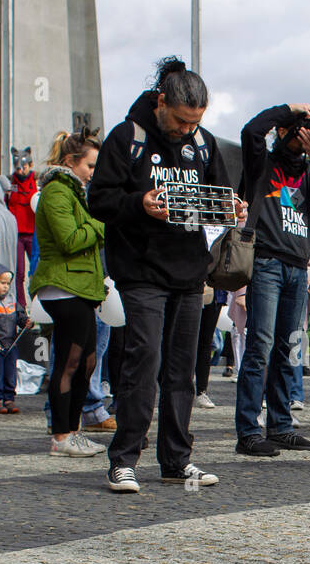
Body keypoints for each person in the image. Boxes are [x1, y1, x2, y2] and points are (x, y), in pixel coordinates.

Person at [88, 57, 246, 493]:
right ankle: (123, 460)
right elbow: (98, 200)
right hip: (140, 270)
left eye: (194, 122)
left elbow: (220, 196)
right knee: (143, 362)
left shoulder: (204, 143)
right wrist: (139, 203)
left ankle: (177, 460)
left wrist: (232, 208)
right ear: (161, 103)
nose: (185, 130)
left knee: (182, 371)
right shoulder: (128, 138)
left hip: (189, 271)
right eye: (179, 121)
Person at [234, 102, 310, 457]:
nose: (306, 134)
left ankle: (280, 425)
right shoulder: (262, 163)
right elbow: (250, 131)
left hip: (296, 266)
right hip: (266, 262)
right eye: (299, 128)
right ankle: (248, 431)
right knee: (260, 345)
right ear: (283, 131)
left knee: (287, 348)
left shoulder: (307, 168)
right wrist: (288, 109)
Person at [29, 129, 107, 457]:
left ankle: (71, 430)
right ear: (70, 162)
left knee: (86, 361)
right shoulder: (57, 191)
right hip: (63, 287)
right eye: (89, 165)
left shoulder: (74, 191)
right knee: (70, 360)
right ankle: (62, 435)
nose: (93, 171)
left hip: (78, 286)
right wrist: (101, 225)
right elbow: (70, 240)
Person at [0, 264, 30, 414]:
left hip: (11, 344)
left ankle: (9, 399)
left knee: (10, 373)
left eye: (8, 283)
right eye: (2, 283)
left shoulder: (12, 301)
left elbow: (20, 317)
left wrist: (26, 322)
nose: (6, 287)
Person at [5, 147, 37, 306]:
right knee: (19, 273)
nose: (20, 170)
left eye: (23, 167)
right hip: (17, 234)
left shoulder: (37, 183)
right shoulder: (10, 184)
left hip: (33, 234)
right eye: (17, 167)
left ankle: (40, 303)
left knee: (37, 270)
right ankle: (21, 307)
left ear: (30, 165)